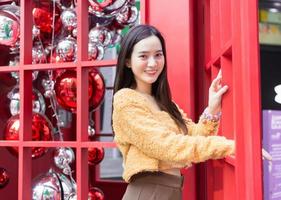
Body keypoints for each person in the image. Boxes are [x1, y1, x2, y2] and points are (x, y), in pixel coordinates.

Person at [112, 24, 234, 200]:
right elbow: (167, 146)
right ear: (128, 61)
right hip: (147, 192)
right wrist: (229, 146)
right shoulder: (125, 100)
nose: (153, 63)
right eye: (144, 56)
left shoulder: (166, 104)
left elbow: (195, 135)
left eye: (158, 55)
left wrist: (213, 108)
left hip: (171, 191)